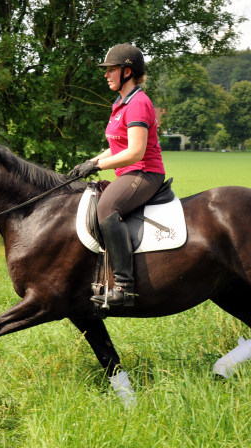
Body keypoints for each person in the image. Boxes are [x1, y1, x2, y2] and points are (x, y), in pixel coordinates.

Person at [70, 43, 166, 307]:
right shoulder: (121, 102)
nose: (106, 75)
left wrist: (99, 167)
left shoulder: (138, 103)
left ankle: (124, 286)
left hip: (144, 172)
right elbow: (117, 145)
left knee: (107, 207)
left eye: (111, 69)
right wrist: (90, 161)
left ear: (127, 71)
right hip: (129, 172)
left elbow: (135, 152)